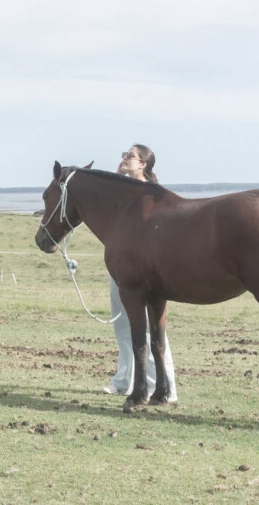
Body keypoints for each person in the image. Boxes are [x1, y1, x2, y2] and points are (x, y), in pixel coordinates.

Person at [102, 144, 178, 402]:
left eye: (130, 156)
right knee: (123, 326)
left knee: (153, 330)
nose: (124, 158)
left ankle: (164, 385)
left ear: (143, 164)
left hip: (146, 269)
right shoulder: (122, 192)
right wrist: (117, 177)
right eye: (123, 154)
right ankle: (125, 379)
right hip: (123, 265)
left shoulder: (152, 193)